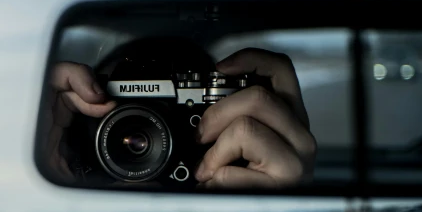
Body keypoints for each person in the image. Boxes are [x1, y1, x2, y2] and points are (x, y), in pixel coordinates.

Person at [44, 47, 317, 189]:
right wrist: (48, 167)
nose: (137, 139)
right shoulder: (66, 157)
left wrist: (286, 189)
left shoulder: (223, 171)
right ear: (78, 124)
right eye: (116, 112)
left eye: (182, 111)